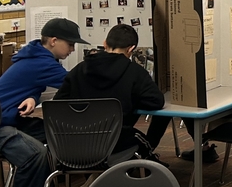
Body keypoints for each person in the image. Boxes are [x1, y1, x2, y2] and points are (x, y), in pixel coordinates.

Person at [0, 17, 89, 187]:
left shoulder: (33, 56)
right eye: (70, 44)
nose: (73, 49)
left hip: (4, 119)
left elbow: (32, 81)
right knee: (34, 155)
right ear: (53, 41)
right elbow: (77, 85)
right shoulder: (43, 63)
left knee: (56, 131)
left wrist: (33, 97)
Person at [54, 23, 165, 159]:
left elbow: (58, 104)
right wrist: (133, 99)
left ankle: (95, 177)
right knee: (143, 141)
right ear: (131, 49)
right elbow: (156, 101)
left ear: (105, 43)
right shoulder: (135, 72)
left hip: (76, 144)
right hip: (117, 142)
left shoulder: (79, 69)